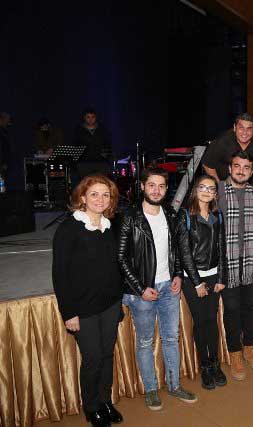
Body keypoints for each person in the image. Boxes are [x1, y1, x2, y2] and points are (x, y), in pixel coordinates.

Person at [118, 167, 199, 410]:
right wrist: (140, 288)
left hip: (168, 288)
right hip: (142, 292)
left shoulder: (171, 214)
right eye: (151, 185)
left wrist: (178, 275)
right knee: (145, 342)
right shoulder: (130, 216)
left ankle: (174, 385)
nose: (156, 190)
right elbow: (121, 258)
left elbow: (176, 251)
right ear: (142, 186)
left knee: (171, 338)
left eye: (161, 186)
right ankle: (151, 389)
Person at [52, 174, 123, 427]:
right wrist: (68, 312)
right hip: (83, 309)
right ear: (82, 197)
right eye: (94, 194)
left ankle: (105, 400)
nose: (100, 199)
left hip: (110, 304)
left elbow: (114, 267)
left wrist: (118, 302)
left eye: (105, 195)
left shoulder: (109, 225)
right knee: (93, 358)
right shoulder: (69, 228)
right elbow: (60, 274)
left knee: (107, 355)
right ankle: (91, 407)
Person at [218, 150, 253, 381]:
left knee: (249, 305)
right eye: (237, 166)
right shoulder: (218, 190)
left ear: (251, 171)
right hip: (226, 260)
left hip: (250, 259)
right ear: (230, 168)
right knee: (231, 308)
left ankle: (250, 347)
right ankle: (235, 353)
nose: (241, 171)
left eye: (246, 167)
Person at [177, 175, 228, 389]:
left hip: (214, 275)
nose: (207, 192)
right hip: (192, 279)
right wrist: (197, 283)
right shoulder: (185, 215)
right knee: (201, 321)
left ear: (216, 194)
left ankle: (215, 363)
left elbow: (222, 247)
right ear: (195, 190)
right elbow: (184, 252)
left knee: (211, 320)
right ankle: (205, 365)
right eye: (202, 187)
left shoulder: (218, 215)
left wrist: (222, 277)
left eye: (211, 189)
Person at [201, 113, 253, 182]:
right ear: (234, 128)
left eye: (249, 129)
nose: (244, 132)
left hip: (252, 185)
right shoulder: (222, 141)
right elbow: (207, 165)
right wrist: (219, 185)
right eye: (241, 128)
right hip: (225, 184)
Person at [73, 108, 112, 177]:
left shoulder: (102, 129)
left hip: (101, 163)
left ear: (96, 117)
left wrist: (106, 156)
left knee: (101, 181)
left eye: (93, 117)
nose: (90, 119)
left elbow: (108, 145)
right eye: (88, 117)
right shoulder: (78, 130)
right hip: (84, 163)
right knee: (85, 182)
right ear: (84, 118)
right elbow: (74, 146)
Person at [0, 112, 11, 183]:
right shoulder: (2, 132)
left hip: (3, 162)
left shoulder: (4, 131)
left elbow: (6, 148)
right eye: (7, 120)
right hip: (2, 162)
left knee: (2, 182)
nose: (8, 122)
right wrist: (4, 162)